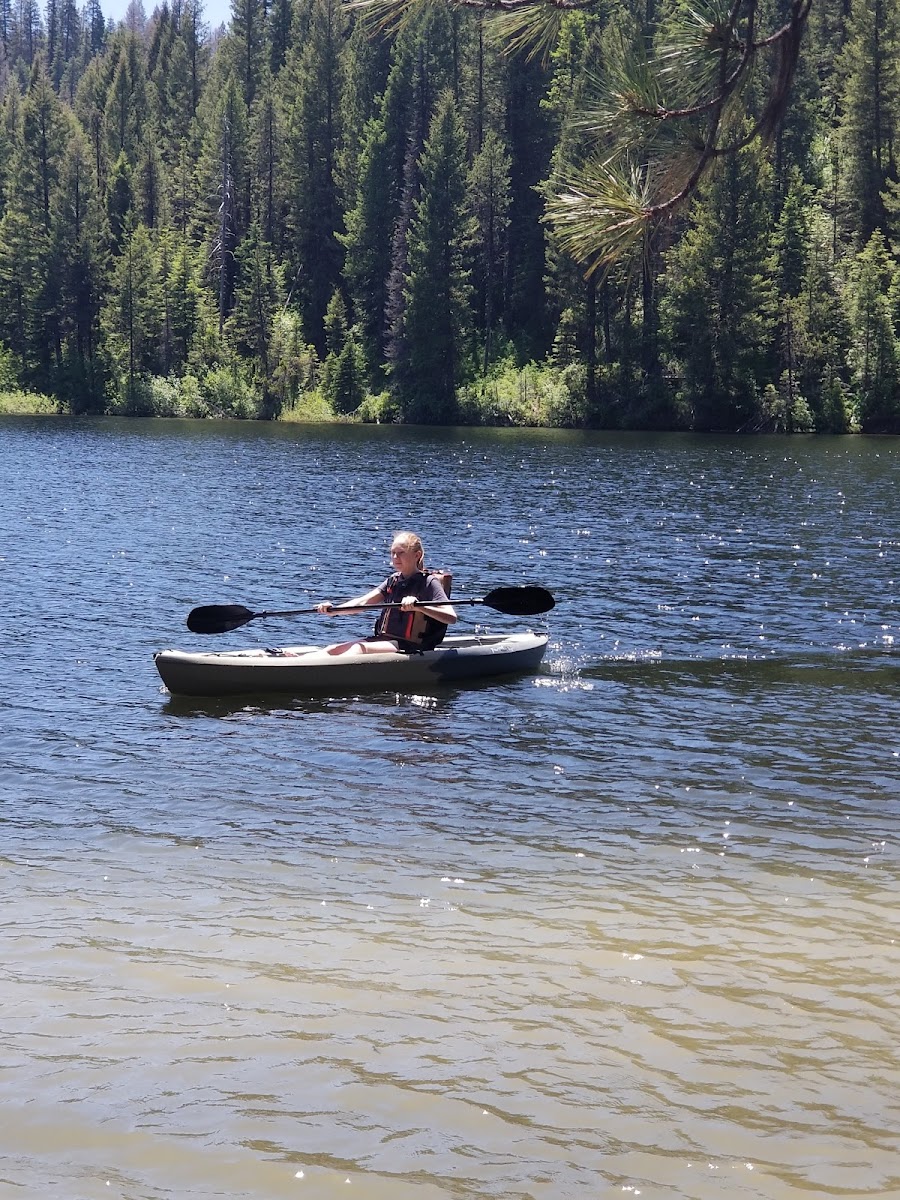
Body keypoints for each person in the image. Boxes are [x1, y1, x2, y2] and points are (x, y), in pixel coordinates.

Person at [315, 531, 457, 656]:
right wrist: (334, 611)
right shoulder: (393, 581)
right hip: (385, 640)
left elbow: (451, 617)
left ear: (416, 555)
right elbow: (363, 602)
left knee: (358, 649)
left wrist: (418, 607)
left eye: (401, 553)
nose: (395, 557)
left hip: (408, 646)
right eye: (393, 553)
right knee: (332, 649)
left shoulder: (429, 583)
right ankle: (296, 660)